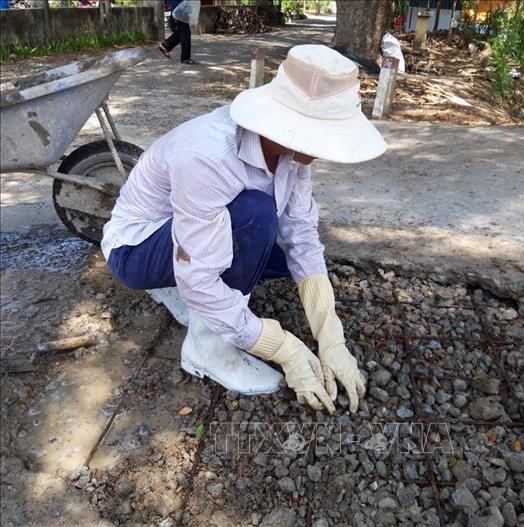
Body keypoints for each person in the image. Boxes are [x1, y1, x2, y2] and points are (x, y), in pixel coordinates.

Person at [101, 45, 387, 413]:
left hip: (188, 240)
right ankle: (208, 348)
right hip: (136, 251)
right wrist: (284, 348)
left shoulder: (291, 151)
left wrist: (331, 336)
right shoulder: (206, 156)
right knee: (256, 213)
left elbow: (301, 234)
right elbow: (199, 278)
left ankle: (191, 299)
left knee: (285, 250)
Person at [159, 0, 199, 65]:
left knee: (182, 31)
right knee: (185, 32)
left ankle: (165, 46)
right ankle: (185, 58)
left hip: (179, 7)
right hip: (181, 8)